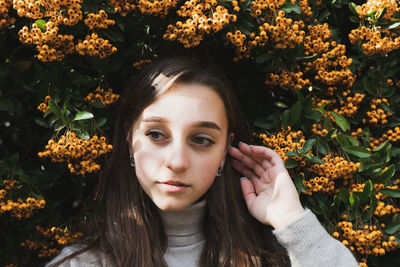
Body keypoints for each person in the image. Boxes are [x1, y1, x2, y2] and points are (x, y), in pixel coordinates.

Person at [46, 55, 359, 267]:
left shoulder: (276, 259)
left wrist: (292, 220)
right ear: (130, 138)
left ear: (225, 151)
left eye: (201, 140)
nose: (177, 161)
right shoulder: (82, 264)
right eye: (156, 134)